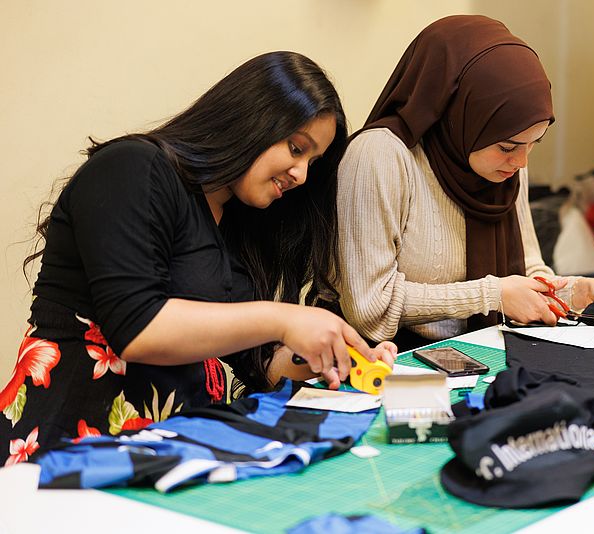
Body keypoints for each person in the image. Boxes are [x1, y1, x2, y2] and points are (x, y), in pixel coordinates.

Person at [0, 51, 396, 465]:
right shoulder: (132, 168)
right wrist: (286, 318)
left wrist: (330, 358)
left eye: (312, 162)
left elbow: (259, 363)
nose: (301, 174)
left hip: (164, 448)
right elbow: (136, 329)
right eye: (296, 148)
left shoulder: (236, 218)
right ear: (250, 118)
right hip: (65, 446)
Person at [336, 15, 594, 351]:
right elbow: (368, 307)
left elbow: (527, 268)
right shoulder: (381, 156)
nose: (522, 163)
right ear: (460, 114)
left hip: (474, 350)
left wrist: (575, 291)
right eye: (507, 147)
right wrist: (492, 295)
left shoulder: (501, 167)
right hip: (381, 359)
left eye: (535, 143)